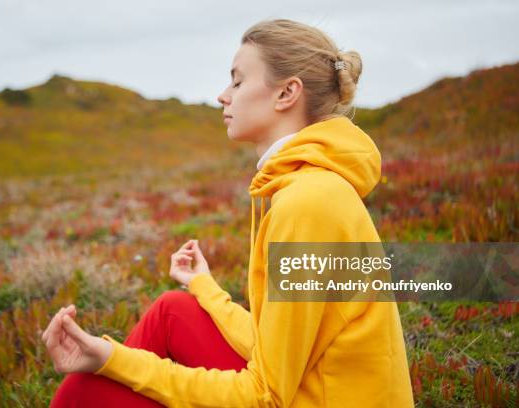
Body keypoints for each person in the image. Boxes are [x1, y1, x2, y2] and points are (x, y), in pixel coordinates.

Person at [42, 18, 415, 407]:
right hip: (318, 389)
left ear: (287, 93)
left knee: (100, 381)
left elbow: (264, 397)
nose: (223, 95)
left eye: (237, 81)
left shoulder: (308, 205)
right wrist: (204, 285)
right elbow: (269, 342)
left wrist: (111, 358)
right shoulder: (311, 188)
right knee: (175, 309)